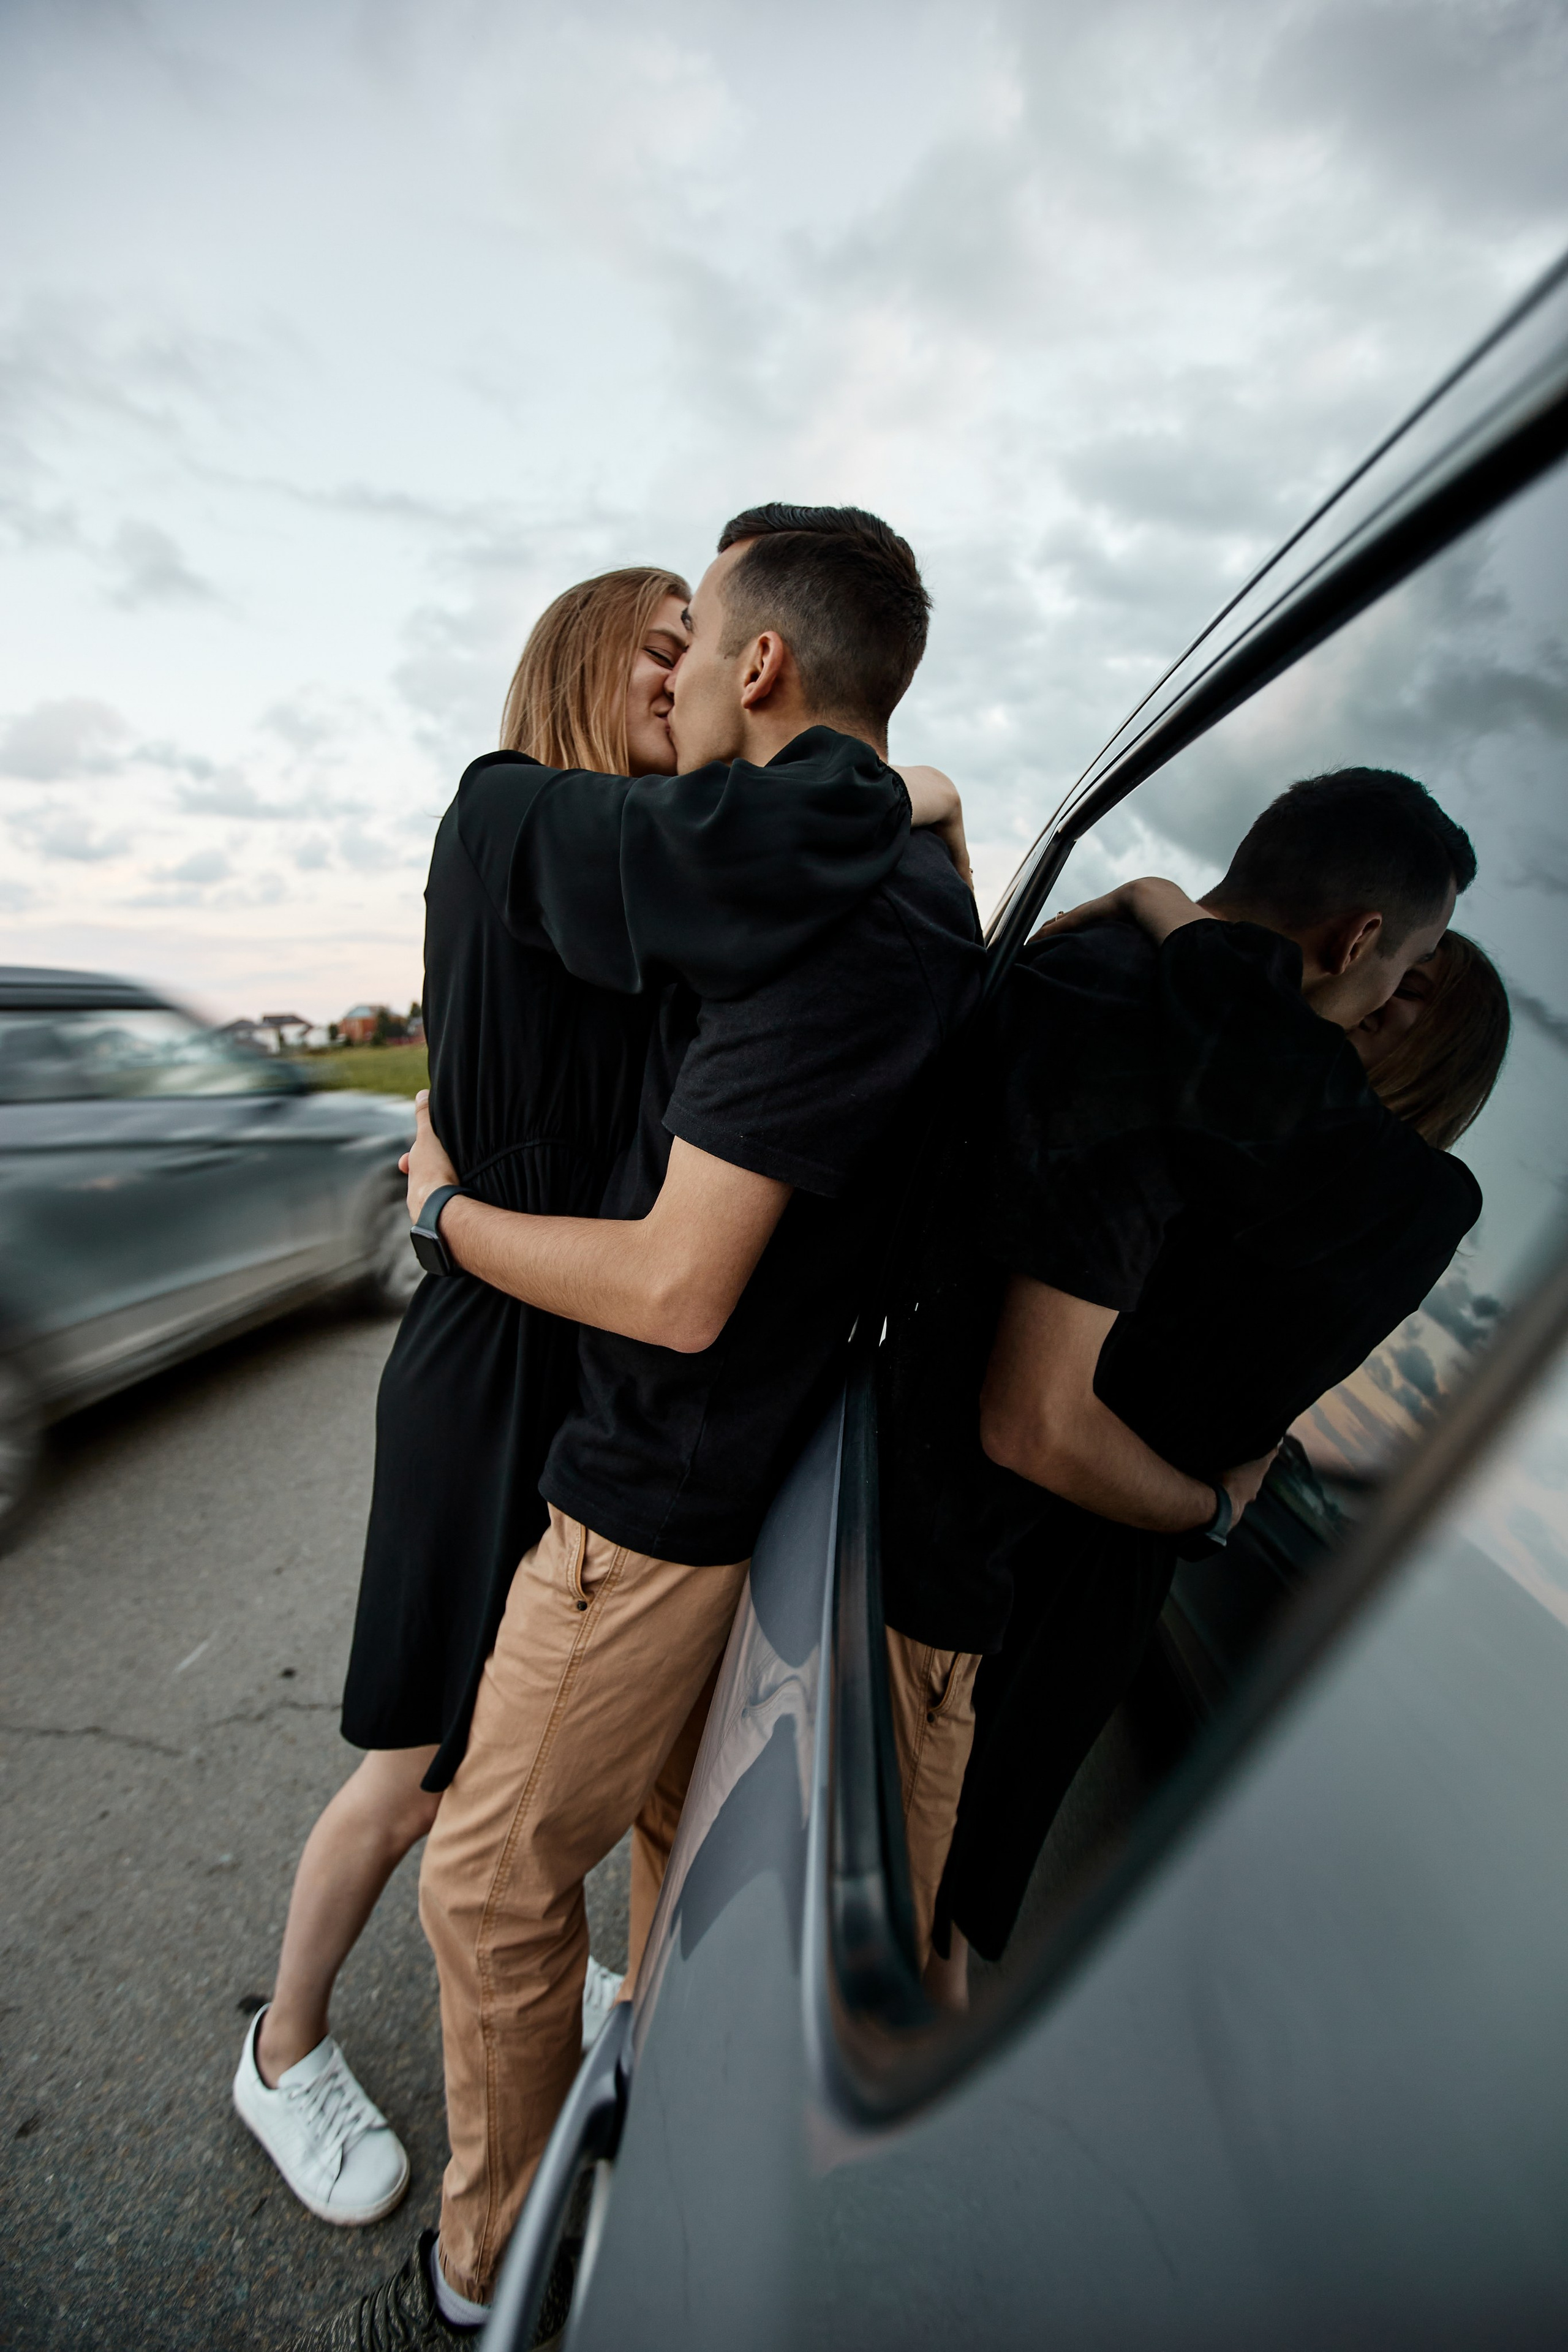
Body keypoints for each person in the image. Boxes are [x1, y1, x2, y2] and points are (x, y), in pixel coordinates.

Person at [298, 502, 986, 2350]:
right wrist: (905, 792)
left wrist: (910, 797)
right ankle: (290, 2045)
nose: (675, 669)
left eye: (702, 638)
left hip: (622, 1389)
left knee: (514, 1854)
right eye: (647, 638)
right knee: (420, 1766)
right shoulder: (521, 815)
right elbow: (788, 823)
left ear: (754, 665)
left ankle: (496, 2274)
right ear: (581, 656)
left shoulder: (753, 881)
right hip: (504, 1360)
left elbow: (685, 1270)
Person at [878, 767, 1485, 1999]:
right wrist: (1213, 1509)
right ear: (1357, 941)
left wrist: (1159, 901)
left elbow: (1255, 1052)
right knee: (925, 1926)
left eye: (1419, 988)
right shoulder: (1320, 1158)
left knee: (914, 1920)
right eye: (1406, 966)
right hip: (1052, 1552)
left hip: (1004, 1541)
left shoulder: (1262, 1105)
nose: (1385, 1001)